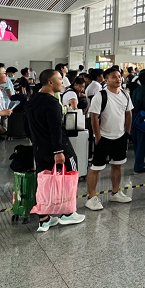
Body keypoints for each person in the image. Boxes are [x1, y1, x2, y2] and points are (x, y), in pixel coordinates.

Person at [26, 69, 85, 232]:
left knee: (43, 180)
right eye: (60, 78)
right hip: (58, 148)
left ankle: (44, 219)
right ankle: (68, 213)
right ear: (50, 82)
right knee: (70, 175)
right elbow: (55, 128)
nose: (63, 81)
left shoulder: (33, 99)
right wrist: (58, 151)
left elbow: (27, 126)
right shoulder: (52, 102)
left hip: (39, 148)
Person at [86, 67, 133, 211]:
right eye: (114, 77)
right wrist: (98, 136)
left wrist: (127, 132)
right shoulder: (100, 95)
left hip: (120, 136)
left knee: (117, 165)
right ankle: (91, 197)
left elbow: (128, 113)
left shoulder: (125, 95)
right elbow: (93, 116)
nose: (118, 79)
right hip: (104, 137)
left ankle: (115, 192)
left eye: (119, 76)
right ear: (106, 80)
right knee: (96, 168)